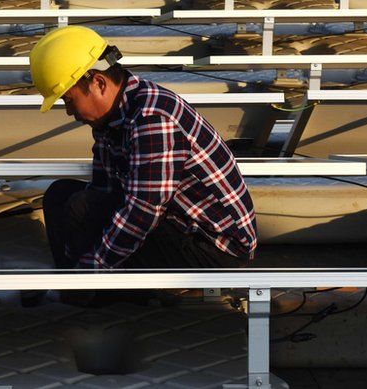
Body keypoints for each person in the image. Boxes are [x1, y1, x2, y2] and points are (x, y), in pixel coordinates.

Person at [27, 26, 257, 289]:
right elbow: (103, 191)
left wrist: (93, 266)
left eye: (68, 100)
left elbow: (142, 211)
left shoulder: (153, 119)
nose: (69, 112)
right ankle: (78, 287)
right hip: (174, 223)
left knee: (84, 215)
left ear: (98, 83)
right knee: (61, 195)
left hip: (214, 248)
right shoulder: (109, 120)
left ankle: (83, 292)